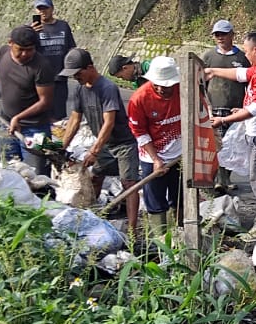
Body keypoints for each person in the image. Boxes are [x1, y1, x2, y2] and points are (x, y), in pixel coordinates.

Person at [61, 48, 143, 235]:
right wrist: (61, 147)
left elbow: (109, 122)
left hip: (123, 143)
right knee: (95, 177)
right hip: (104, 143)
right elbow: (74, 120)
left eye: (78, 73)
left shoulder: (107, 88)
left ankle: (132, 231)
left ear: (90, 67)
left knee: (129, 184)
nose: (76, 78)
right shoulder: (81, 89)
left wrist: (94, 150)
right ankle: (90, 217)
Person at [205, 30, 256, 204]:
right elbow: (243, 74)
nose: (246, 55)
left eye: (247, 51)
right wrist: (213, 71)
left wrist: (224, 120)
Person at [0, 26, 56, 175]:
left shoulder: (42, 66)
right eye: (20, 49)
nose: (25, 54)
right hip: (6, 123)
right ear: (10, 43)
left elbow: (45, 101)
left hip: (35, 128)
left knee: (37, 174)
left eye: (30, 50)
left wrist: (19, 118)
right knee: (9, 167)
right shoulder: (2, 53)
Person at [127, 56, 185, 228]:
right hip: (151, 156)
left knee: (181, 197)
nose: (161, 88)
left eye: (165, 85)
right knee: (155, 202)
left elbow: (199, 115)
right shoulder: (139, 98)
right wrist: (156, 159)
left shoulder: (184, 91)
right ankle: (163, 244)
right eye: (157, 84)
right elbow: (139, 132)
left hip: (179, 154)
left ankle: (181, 235)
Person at [200, 20, 252, 194]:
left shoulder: (242, 58)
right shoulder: (208, 57)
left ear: (232, 35)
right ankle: (218, 179)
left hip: (236, 109)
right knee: (217, 145)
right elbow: (200, 82)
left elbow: (250, 82)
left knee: (233, 144)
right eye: (217, 35)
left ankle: (226, 178)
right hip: (214, 107)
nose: (220, 38)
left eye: (223, 34)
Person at [30, 0, 76, 121]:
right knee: (41, 112)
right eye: (39, 9)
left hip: (60, 76)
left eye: (45, 8)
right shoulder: (31, 29)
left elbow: (71, 47)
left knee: (59, 115)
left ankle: (57, 140)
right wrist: (32, 34)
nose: (42, 11)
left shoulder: (63, 26)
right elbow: (26, 50)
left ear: (52, 9)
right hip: (40, 78)